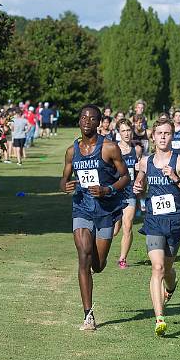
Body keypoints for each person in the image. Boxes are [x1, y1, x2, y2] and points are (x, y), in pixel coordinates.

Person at [60, 105, 131, 331]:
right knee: (83, 255)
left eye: (92, 118)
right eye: (83, 117)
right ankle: (88, 315)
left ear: (99, 122)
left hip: (106, 210)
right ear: (79, 120)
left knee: (97, 265)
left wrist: (107, 190)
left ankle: (97, 264)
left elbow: (125, 177)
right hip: (82, 207)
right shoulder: (72, 151)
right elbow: (64, 179)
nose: (87, 121)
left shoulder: (109, 148)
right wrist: (65, 186)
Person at [133, 115, 180, 337]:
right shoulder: (145, 161)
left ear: (173, 136)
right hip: (153, 221)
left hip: (175, 221)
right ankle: (159, 318)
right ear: (153, 136)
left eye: (167, 133)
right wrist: (138, 188)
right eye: (159, 133)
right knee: (158, 268)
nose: (163, 137)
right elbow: (141, 187)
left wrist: (175, 179)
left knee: (168, 269)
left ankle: (170, 287)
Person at [113, 119, 142, 269]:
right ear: (118, 132)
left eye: (128, 130)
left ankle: (122, 258)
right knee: (114, 230)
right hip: (115, 193)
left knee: (128, 225)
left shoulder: (136, 150)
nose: (127, 133)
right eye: (123, 131)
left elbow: (139, 173)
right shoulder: (113, 149)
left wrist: (139, 189)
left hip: (129, 192)